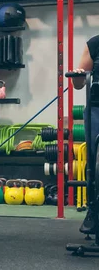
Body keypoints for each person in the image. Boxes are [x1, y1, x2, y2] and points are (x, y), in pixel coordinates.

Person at [71, 35, 99, 235]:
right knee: (94, 159)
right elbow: (79, 83)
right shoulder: (95, 44)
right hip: (97, 108)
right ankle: (93, 210)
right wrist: (79, 75)